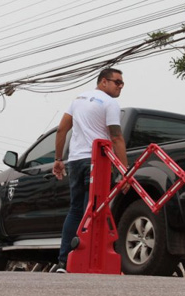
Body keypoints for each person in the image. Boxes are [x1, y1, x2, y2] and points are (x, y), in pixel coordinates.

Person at [51, 68, 128, 273]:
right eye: (117, 82)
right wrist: (125, 171)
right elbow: (117, 137)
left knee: (76, 210)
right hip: (98, 161)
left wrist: (58, 159)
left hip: (75, 161)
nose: (120, 86)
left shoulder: (77, 99)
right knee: (92, 211)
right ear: (103, 82)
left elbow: (61, 130)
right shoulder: (110, 103)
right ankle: (85, 261)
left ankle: (64, 262)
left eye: (122, 83)